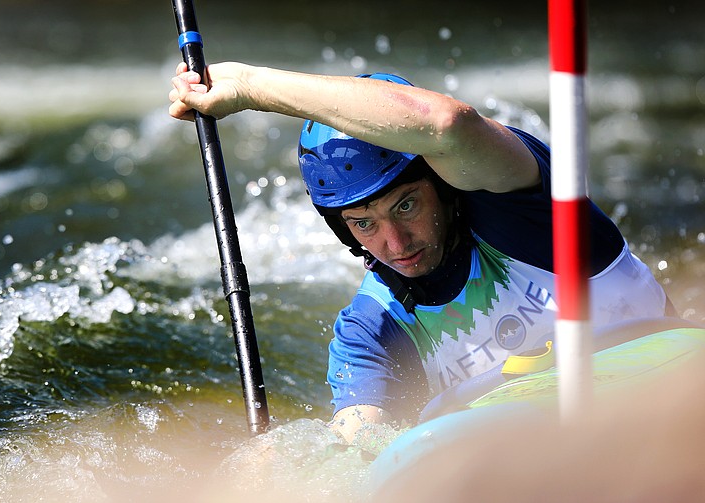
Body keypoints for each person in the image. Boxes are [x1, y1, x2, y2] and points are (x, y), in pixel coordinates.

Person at [168, 62, 673, 442]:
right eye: (364, 224)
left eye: (406, 205)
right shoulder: (369, 331)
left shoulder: (526, 210)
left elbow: (447, 125)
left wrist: (250, 86)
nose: (395, 243)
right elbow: (361, 448)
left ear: (444, 183)